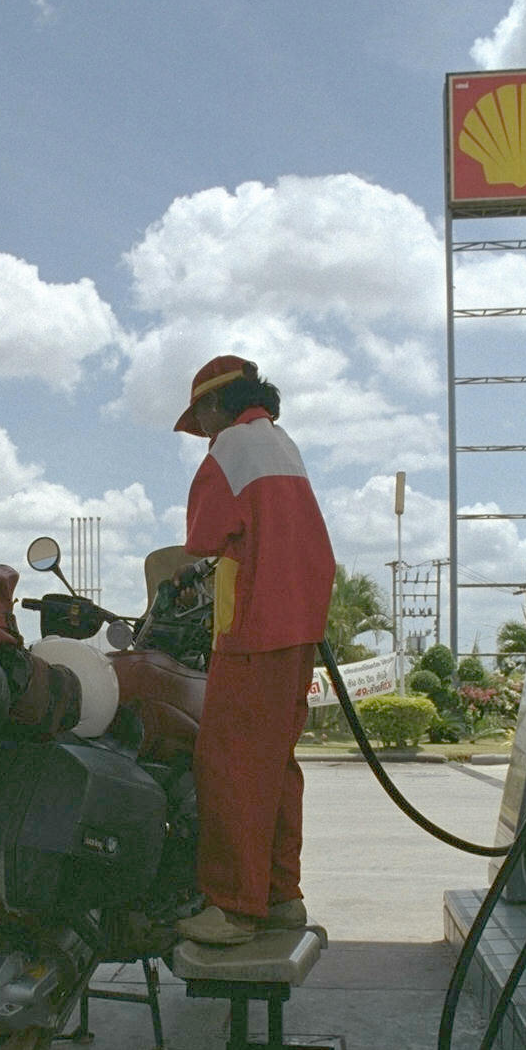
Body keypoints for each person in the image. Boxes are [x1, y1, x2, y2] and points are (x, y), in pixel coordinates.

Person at [172, 355, 336, 946]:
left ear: (218, 406)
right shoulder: (282, 444)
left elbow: (203, 539)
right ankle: (280, 893)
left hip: (255, 625)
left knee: (228, 764)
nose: (204, 433)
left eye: (203, 419)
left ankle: (234, 907)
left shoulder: (231, 450)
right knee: (275, 763)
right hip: (299, 625)